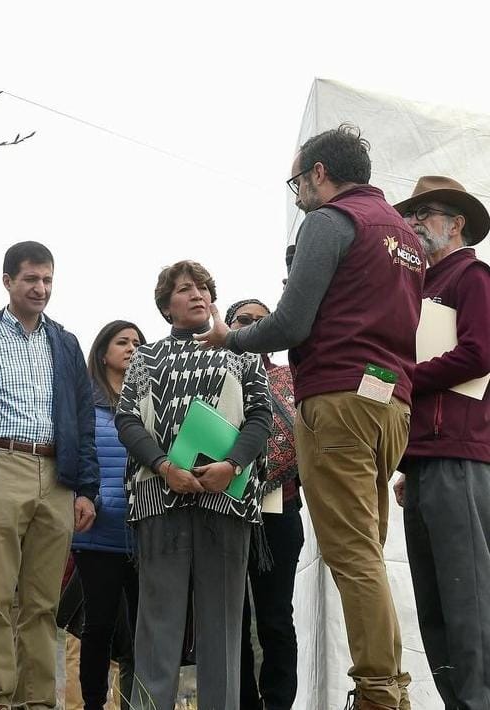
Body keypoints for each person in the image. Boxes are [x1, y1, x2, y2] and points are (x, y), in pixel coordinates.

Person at [197, 124, 424, 710]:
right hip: (390, 403)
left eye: (297, 179)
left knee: (351, 555)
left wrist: (233, 337)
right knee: (367, 554)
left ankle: (378, 694)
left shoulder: (329, 222)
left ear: (320, 172)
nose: (297, 191)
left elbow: (291, 324)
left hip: (338, 399)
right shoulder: (404, 235)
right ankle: (391, 686)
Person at [0, 241, 99, 710]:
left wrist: (86, 489)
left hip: (58, 472)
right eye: (31, 279)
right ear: (8, 281)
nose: (40, 288)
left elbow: (84, 417)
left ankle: (38, 702)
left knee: (41, 602)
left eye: (47, 280)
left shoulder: (67, 342)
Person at [118, 261, 271, 710]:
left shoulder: (242, 353)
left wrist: (232, 464)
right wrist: (164, 466)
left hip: (226, 499)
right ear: (166, 306)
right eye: (185, 289)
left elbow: (262, 415)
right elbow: (127, 418)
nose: (197, 294)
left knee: (223, 624)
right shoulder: (146, 357)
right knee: (157, 621)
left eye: (203, 287)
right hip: (159, 497)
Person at [391, 176, 490, 709]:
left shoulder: (472, 276)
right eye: (411, 214)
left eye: (424, 213)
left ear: (456, 223)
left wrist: (407, 376)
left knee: (468, 599)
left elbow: (480, 354)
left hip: (459, 457)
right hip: (427, 461)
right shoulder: (419, 287)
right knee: (433, 604)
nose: (414, 223)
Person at [224, 300, 304, 710]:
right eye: (244, 320)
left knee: (275, 617)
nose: (254, 326)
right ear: (228, 327)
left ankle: (278, 702)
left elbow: (302, 438)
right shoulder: (213, 379)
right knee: (231, 619)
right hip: (224, 514)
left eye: (262, 320)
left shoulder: (292, 376)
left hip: (280, 512)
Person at [71, 320, 146, 710]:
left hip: (145, 532)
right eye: (122, 342)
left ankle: (138, 702)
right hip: (97, 530)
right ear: (103, 353)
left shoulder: (152, 403)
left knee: (142, 631)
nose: (132, 348)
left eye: (137, 342)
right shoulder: (84, 402)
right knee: (97, 625)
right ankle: (93, 704)